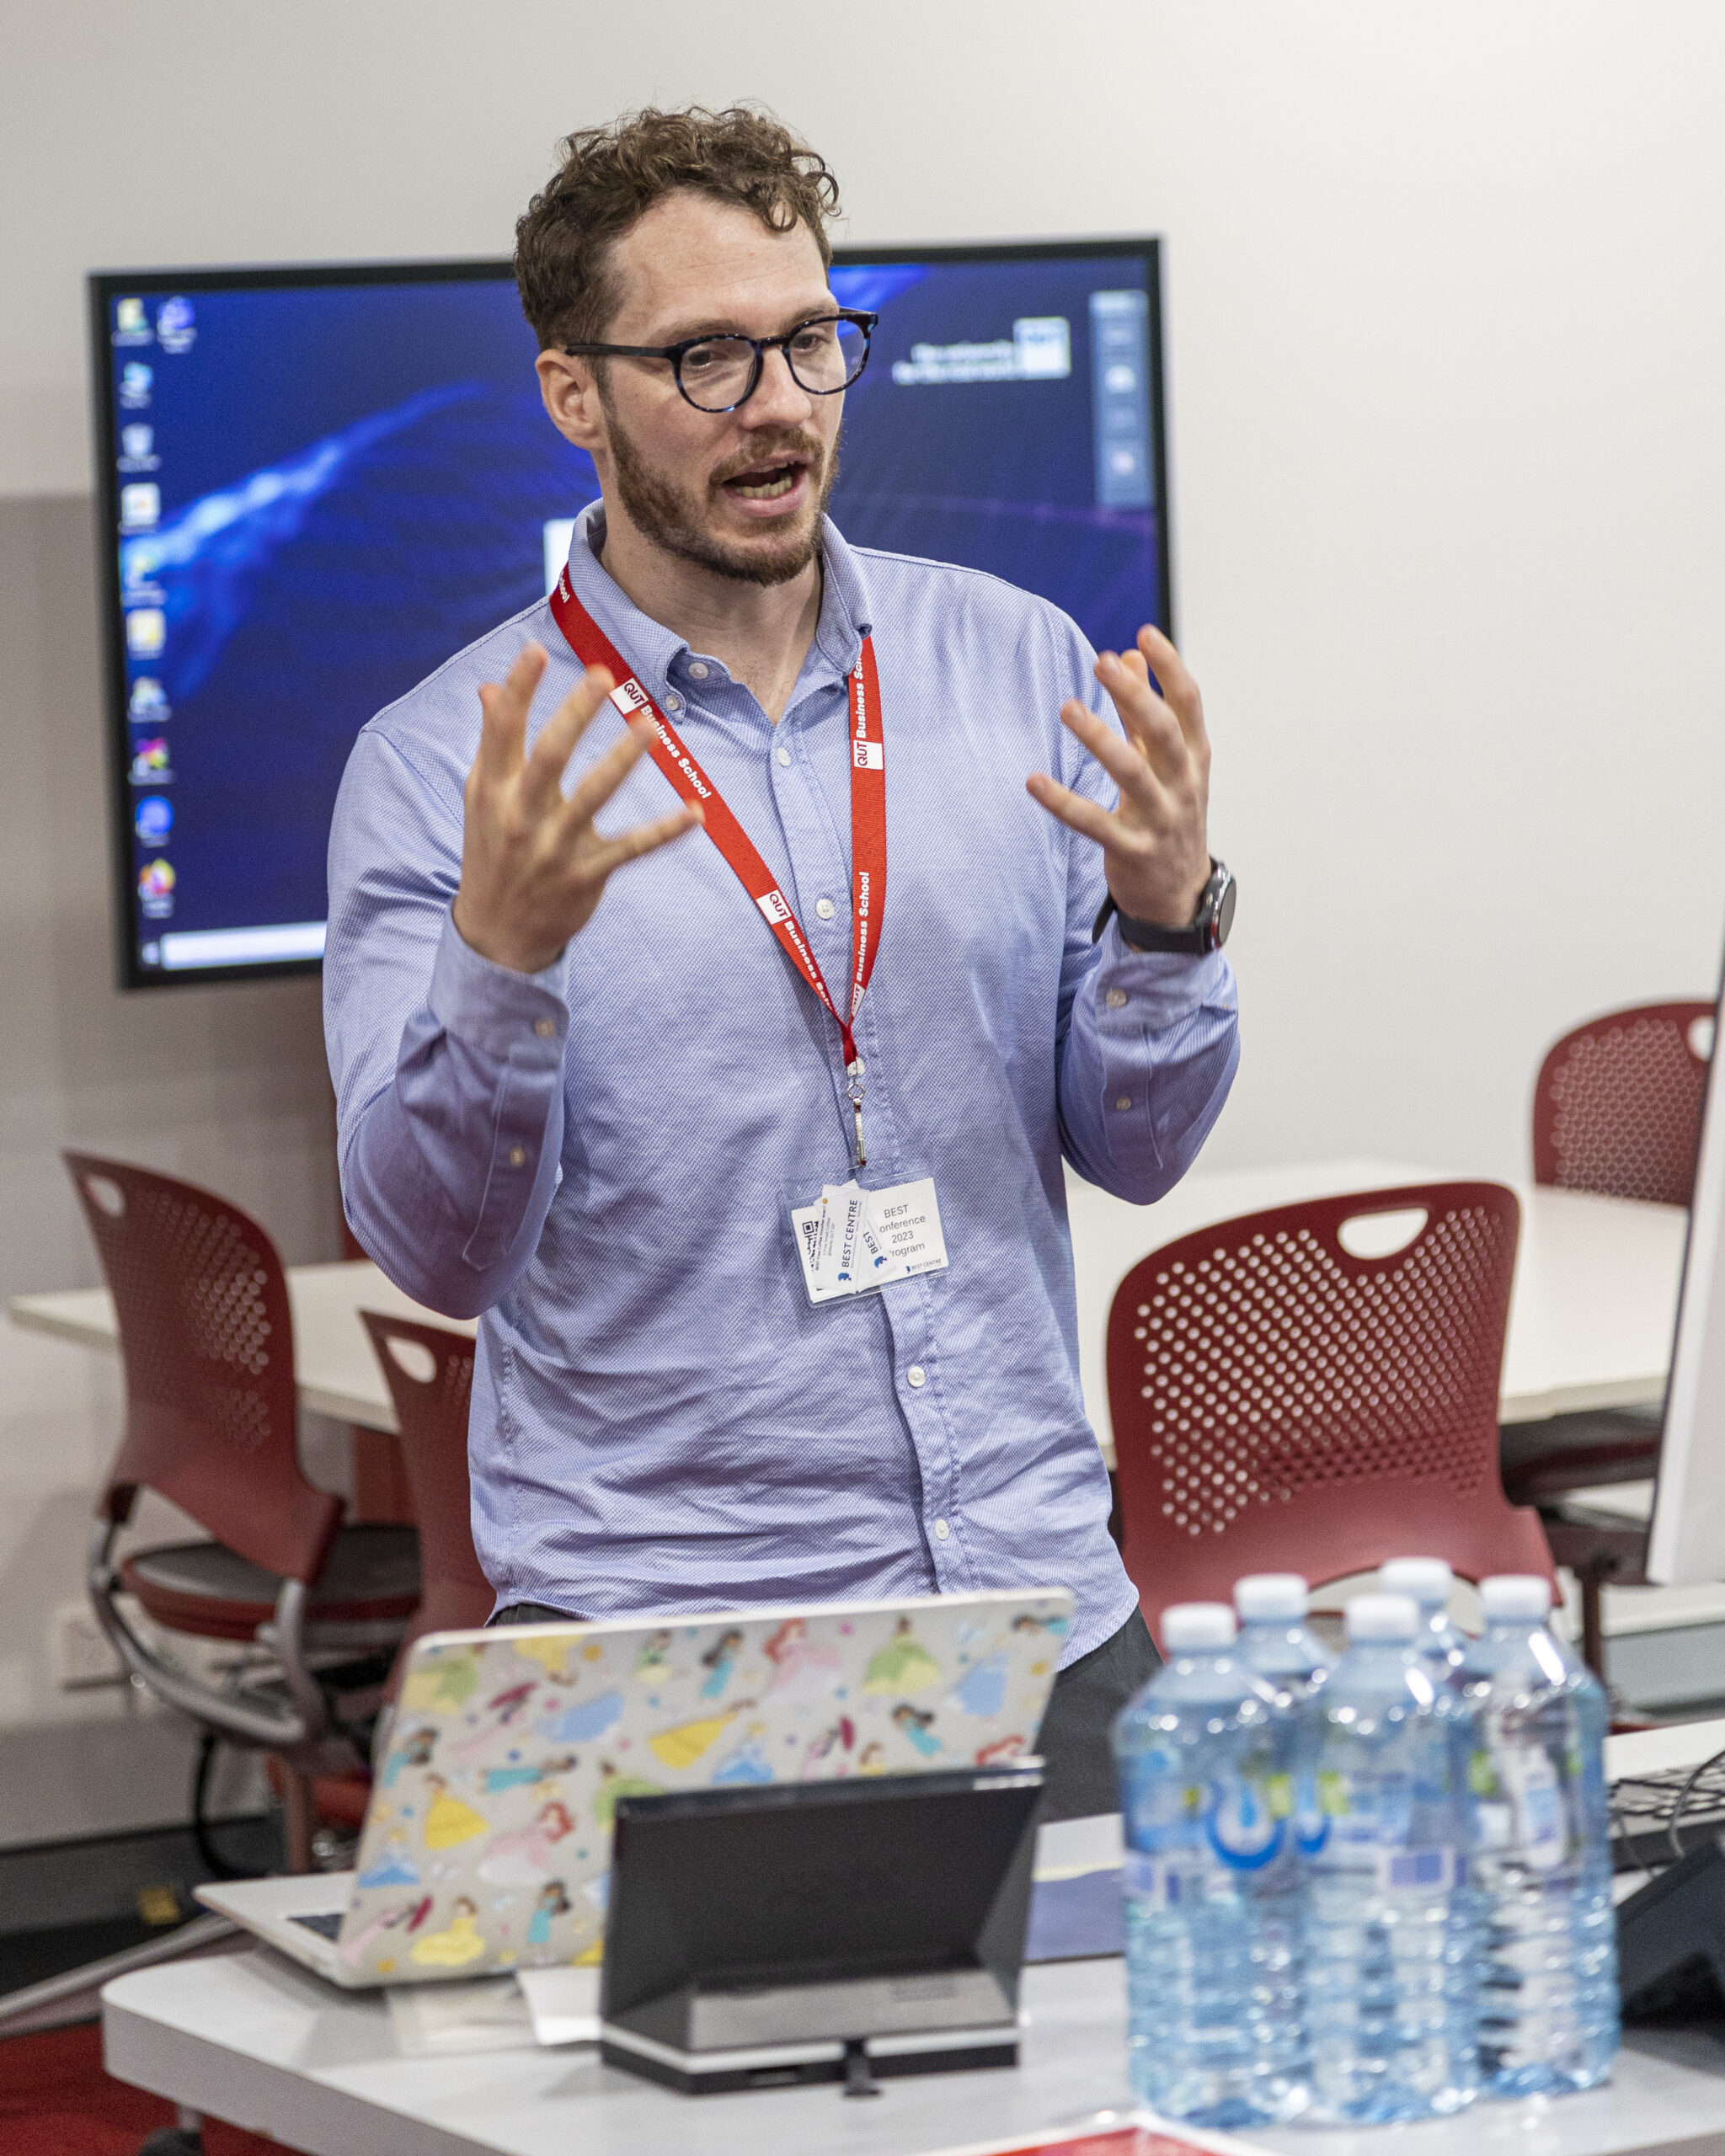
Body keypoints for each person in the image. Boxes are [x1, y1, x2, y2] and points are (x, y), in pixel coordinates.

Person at [324, 106, 1240, 1819]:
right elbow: (439, 1254)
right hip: (672, 1659)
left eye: (812, 340)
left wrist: (1165, 921)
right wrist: (499, 972)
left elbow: (1139, 1149)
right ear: (574, 394)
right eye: (707, 357)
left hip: (1042, 1615)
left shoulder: (1019, 663)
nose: (780, 404)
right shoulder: (442, 764)